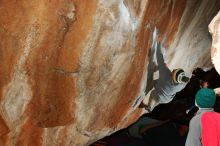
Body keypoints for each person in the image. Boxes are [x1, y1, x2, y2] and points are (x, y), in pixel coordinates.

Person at [140, 41, 190, 112]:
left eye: (174, 71)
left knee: (153, 93)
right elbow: (185, 81)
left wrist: (158, 44)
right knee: (157, 84)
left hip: (160, 95)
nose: (174, 69)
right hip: (167, 99)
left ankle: (149, 107)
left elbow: (159, 57)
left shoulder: (165, 74)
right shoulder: (181, 84)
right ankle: (154, 104)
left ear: (173, 76)